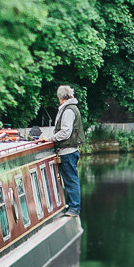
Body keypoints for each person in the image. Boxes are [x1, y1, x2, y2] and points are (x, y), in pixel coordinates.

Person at [49, 84, 81, 216]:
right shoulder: (71, 108)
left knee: (71, 180)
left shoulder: (68, 110)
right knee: (70, 180)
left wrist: (50, 139)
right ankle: (72, 206)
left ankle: (74, 208)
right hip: (69, 151)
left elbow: (65, 133)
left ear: (60, 97)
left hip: (67, 151)